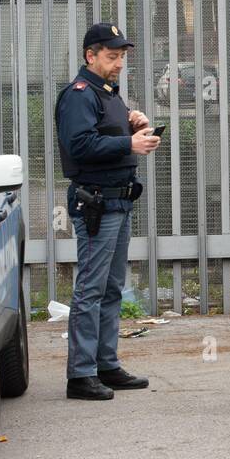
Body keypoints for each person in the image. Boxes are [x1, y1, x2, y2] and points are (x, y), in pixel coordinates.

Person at [56, 23, 160, 400]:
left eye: (121, 57)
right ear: (91, 56)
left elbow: (106, 130)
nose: (119, 64)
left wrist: (133, 119)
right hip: (97, 202)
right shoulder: (80, 95)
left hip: (118, 200)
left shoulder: (106, 93)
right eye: (112, 57)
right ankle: (81, 375)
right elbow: (80, 144)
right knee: (91, 288)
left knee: (112, 287)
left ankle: (106, 364)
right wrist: (128, 142)